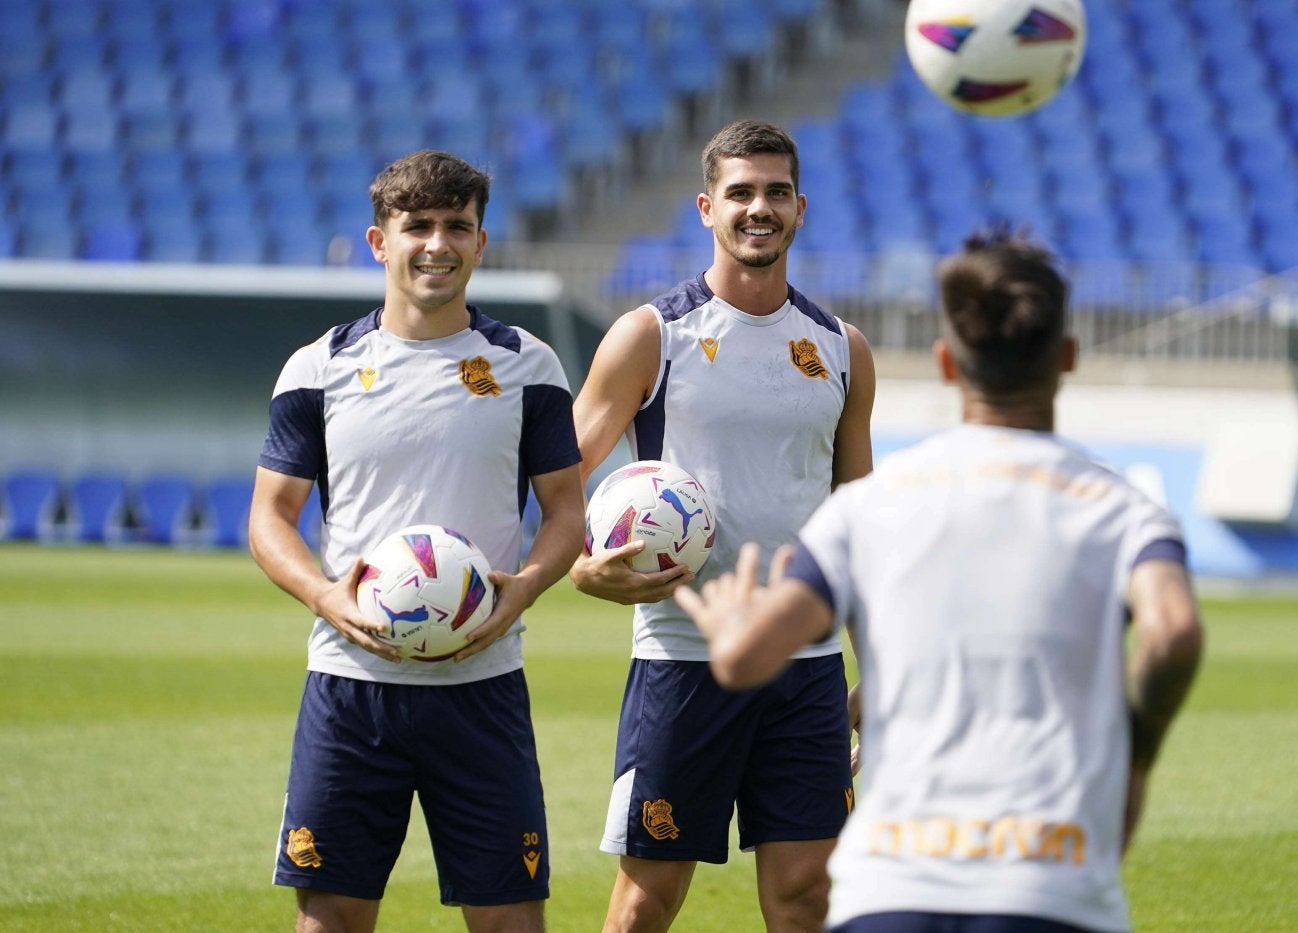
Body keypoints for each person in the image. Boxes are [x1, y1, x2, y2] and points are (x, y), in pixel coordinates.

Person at [677, 228, 1205, 932]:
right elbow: (1173, 631)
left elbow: (750, 655)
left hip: (890, 886)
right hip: (1048, 886)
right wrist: (1136, 758)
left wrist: (731, 626)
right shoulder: (1124, 507)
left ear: (947, 363)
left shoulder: (869, 505)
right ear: (1068, 357)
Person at [247, 149, 584, 933]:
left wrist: (525, 588)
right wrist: (327, 595)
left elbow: (566, 511)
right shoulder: (318, 368)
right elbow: (270, 517)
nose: (438, 243)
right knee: (330, 916)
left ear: (480, 242)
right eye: (418, 226)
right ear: (379, 241)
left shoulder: (528, 366)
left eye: (456, 227)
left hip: (483, 685)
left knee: (509, 920)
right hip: (350, 685)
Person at [570, 120, 877, 932]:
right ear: (707, 207)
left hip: (806, 663)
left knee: (808, 894)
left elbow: (865, 522)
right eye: (740, 192)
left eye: (776, 192)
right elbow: (557, 475)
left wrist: (881, 665)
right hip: (683, 654)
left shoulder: (842, 349)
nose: (759, 208)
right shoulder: (652, 335)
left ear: (801, 208)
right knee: (647, 897)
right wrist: (580, 566)